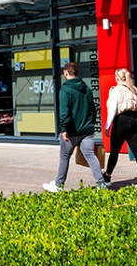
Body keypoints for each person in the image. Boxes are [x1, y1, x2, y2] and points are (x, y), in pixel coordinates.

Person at [43, 62, 105, 192]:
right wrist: (91, 124)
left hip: (71, 132)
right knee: (91, 156)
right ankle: (101, 184)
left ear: (66, 73)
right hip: (87, 131)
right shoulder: (86, 88)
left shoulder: (65, 90)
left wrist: (64, 129)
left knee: (64, 157)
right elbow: (93, 109)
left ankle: (58, 185)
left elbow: (64, 112)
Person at [102, 68, 137, 186]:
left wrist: (108, 125)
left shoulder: (116, 90)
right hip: (134, 120)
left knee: (114, 151)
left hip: (121, 121)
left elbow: (112, 109)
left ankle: (107, 178)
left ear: (118, 78)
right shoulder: (134, 90)